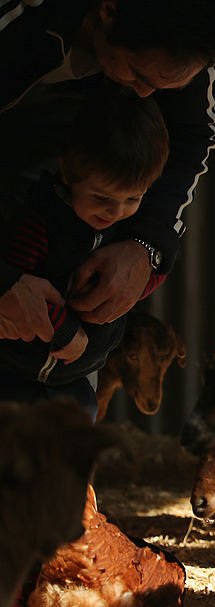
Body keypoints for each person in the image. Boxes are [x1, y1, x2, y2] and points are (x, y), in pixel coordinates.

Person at [0, 0, 215, 346]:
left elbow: (191, 135)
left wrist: (145, 245)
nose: (145, 95)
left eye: (164, 88)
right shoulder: (20, 21)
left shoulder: (188, 34)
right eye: (138, 74)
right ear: (109, 9)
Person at [0, 88, 169, 421]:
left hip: (75, 381)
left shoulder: (128, 230)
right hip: (13, 372)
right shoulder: (42, 221)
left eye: (132, 199)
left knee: (71, 463)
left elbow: (145, 276)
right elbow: (18, 288)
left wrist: (149, 264)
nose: (115, 211)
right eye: (102, 198)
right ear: (67, 173)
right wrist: (62, 330)